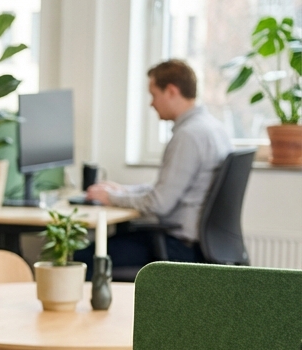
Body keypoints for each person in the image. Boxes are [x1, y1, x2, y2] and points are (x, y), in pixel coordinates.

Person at [79, 59, 231, 269]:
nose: (152, 103)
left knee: (81, 259)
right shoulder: (213, 128)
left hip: (176, 248)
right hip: (202, 245)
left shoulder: (188, 136)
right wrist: (123, 190)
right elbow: (169, 189)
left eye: (154, 95)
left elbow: (160, 204)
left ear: (171, 91)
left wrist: (111, 198)